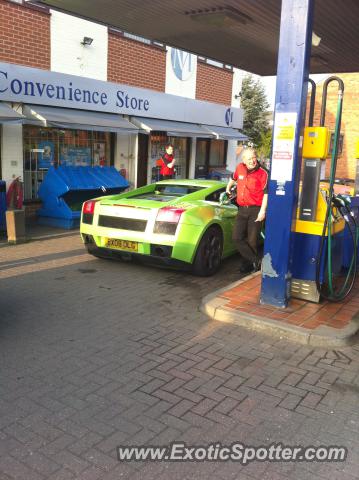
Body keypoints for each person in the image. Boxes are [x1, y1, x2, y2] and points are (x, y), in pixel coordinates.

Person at [226, 147, 268, 273]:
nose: (252, 161)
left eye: (254, 157)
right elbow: (233, 178)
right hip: (242, 209)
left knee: (252, 240)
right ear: (244, 160)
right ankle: (256, 261)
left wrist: (263, 211)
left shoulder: (263, 173)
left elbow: (267, 194)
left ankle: (248, 266)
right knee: (237, 238)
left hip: (256, 209)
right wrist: (228, 187)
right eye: (249, 158)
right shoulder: (240, 168)